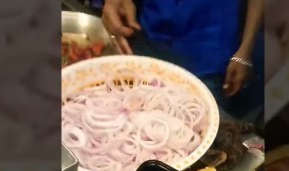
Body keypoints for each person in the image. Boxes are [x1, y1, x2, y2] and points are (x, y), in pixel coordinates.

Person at [101, 0, 264, 120]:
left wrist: (246, 48)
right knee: (126, 116)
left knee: (196, 127)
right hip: (148, 35)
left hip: (208, 52)